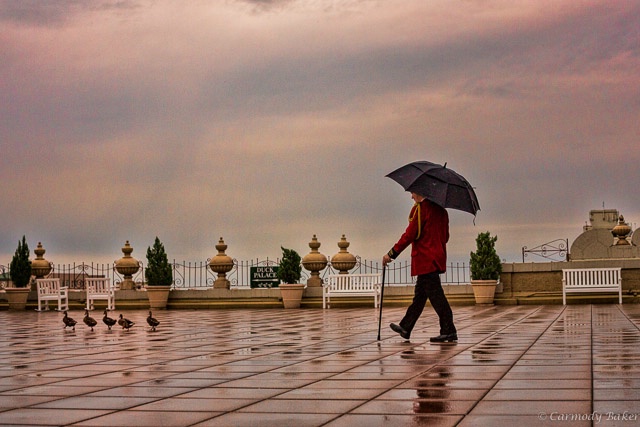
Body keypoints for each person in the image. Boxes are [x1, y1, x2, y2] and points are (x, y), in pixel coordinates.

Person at [382, 192, 457, 343]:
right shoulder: (442, 211)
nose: (411, 196)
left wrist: (391, 253)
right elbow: (446, 237)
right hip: (436, 257)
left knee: (437, 297)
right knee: (420, 297)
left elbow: (410, 234)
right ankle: (406, 327)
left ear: (420, 191)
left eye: (412, 193)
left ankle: (449, 330)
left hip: (425, 259)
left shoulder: (422, 209)